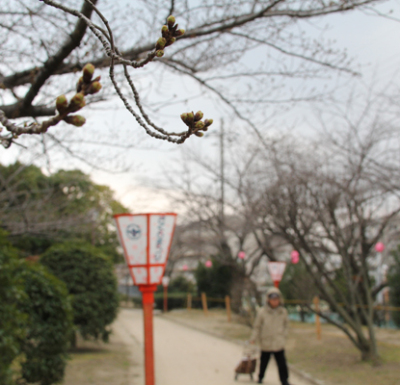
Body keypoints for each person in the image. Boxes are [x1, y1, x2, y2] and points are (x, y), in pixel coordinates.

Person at [250, 287, 291, 385]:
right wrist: (253, 338)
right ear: (268, 300)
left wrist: (283, 335)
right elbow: (257, 326)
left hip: (278, 342)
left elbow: (287, 325)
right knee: (264, 361)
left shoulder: (283, 312)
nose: (275, 301)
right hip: (266, 342)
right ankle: (260, 377)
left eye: (276, 299)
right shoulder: (262, 312)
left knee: (282, 363)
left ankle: (284, 380)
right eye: (272, 299)